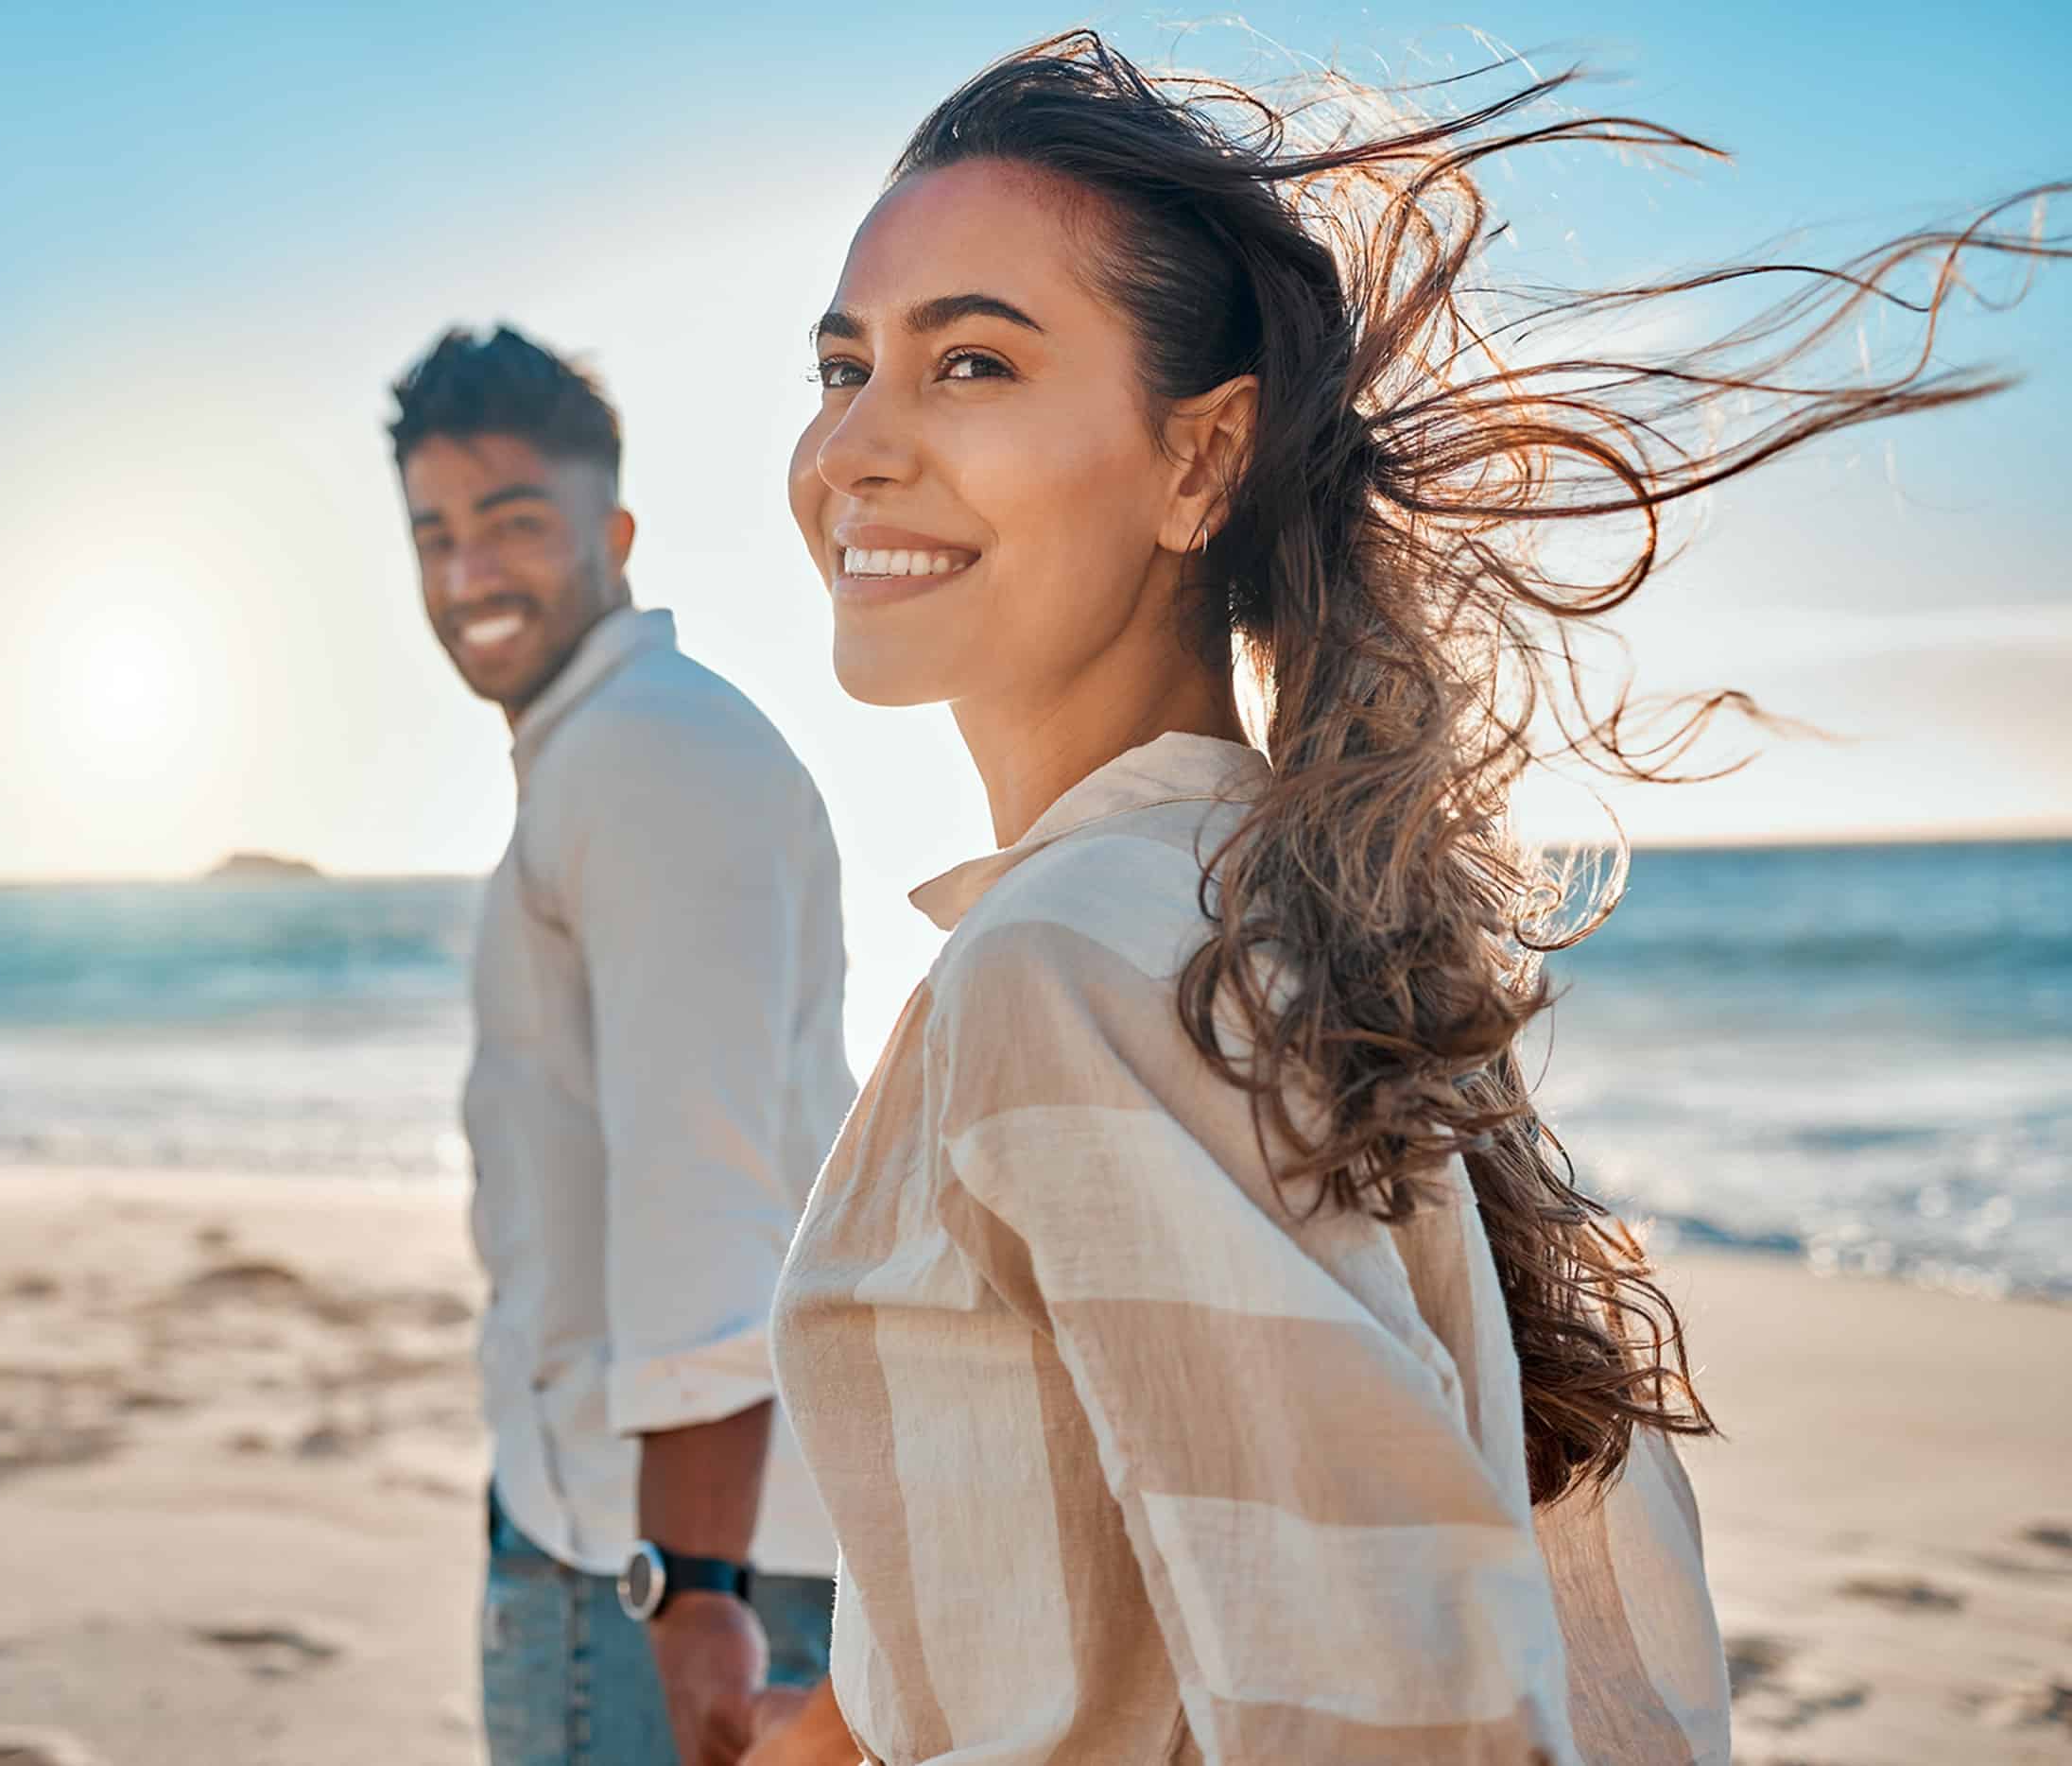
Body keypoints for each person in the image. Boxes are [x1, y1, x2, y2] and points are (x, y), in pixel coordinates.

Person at [744, 31, 2064, 1766]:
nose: (853, 447)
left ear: (1200, 463)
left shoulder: (1081, 964)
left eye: (971, 363)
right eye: (840, 368)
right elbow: (1137, 1536)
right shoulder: (1248, 903)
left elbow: (1385, 1702)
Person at [388, 325, 855, 1766]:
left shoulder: (648, 756)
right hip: (616, 1528)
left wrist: (690, 1585)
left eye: (514, 522)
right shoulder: (610, 755)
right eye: (434, 534)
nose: (469, 574)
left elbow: (698, 1185)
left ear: (618, 531)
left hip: (653, 1566)